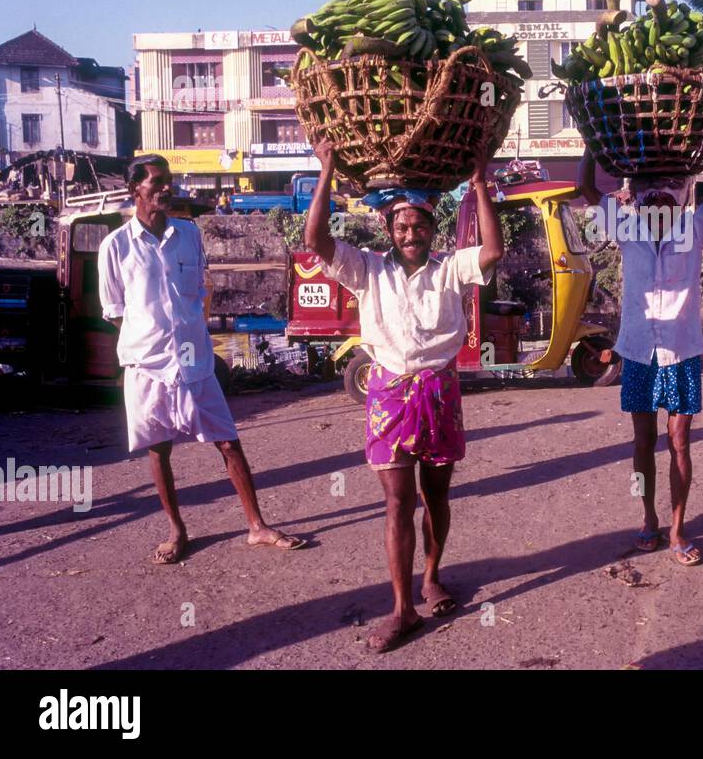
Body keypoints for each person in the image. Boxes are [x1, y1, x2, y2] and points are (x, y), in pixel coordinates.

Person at [305, 138, 502, 653]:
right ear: (388, 231)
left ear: (432, 231)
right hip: (389, 394)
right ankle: (401, 608)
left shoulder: (450, 269)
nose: (410, 234)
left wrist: (479, 184)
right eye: (401, 227)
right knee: (398, 501)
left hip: (440, 391)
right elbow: (317, 241)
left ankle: (432, 576)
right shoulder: (368, 268)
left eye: (418, 226)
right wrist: (326, 170)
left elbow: (492, 250)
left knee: (436, 494)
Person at [98, 154, 306, 565]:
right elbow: (115, 310)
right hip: (147, 365)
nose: (165, 188)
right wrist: (150, 340)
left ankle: (256, 526)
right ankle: (177, 529)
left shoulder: (189, 234)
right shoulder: (115, 246)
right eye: (156, 182)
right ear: (133, 190)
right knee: (158, 451)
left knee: (228, 441)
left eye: (168, 180)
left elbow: (197, 291)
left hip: (194, 360)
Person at [577, 121, 703, 567]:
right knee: (641, 442)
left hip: (681, 352)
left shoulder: (695, 229)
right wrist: (594, 139)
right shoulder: (626, 229)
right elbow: (585, 187)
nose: (661, 195)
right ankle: (648, 520)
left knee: (681, 442)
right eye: (651, 189)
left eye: (671, 188)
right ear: (638, 195)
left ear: (683, 195)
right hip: (636, 352)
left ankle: (677, 528)